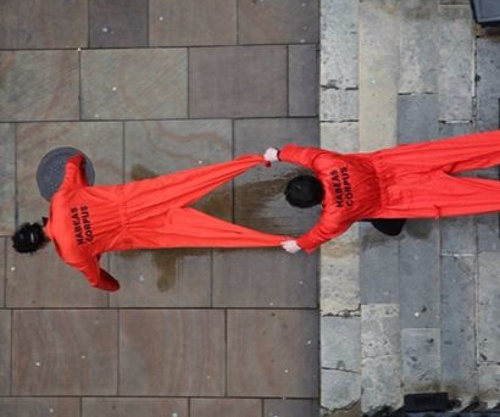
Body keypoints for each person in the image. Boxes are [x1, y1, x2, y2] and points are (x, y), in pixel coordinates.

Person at [11, 152, 287, 292]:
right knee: (198, 179)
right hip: (141, 198)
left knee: (211, 233)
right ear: (31, 225)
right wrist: (78, 162)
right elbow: (73, 164)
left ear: (39, 248)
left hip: (145, 231)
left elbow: (98, 281)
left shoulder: (72, 254)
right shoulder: (60, 200)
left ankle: (280, 240)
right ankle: (258, 159)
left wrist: (111, 280)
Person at [264, 129, 500, 253]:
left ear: (312, 204)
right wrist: (279, 154)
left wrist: (299, 243)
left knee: (473, 195)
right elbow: (306, 155)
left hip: (404, 197)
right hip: (400, 163)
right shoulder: (328, 163)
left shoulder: (335, 216)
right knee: (461, 151)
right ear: (310, 177)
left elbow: (320, 234)